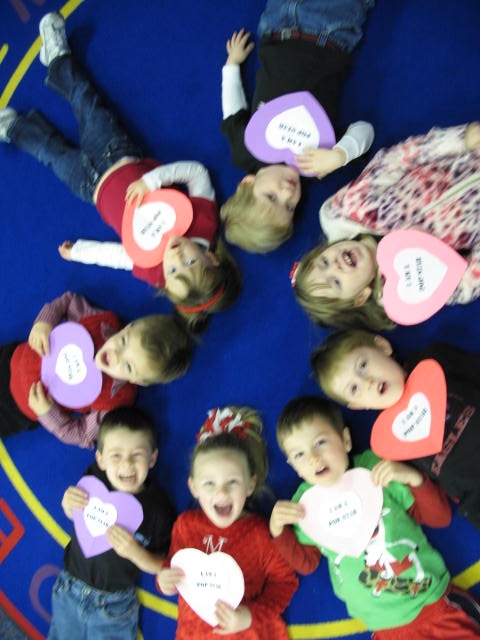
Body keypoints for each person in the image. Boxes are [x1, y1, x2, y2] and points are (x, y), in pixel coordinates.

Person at [0, 12, 241, 334]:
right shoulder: (205, 224)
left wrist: (80, 251)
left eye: (174, 272)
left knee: (50, 153)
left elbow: (120, 256)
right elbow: (197, 174)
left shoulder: (152, 269)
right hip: (118, 154)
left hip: (91, 188)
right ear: (211, 258)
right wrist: (151, 181)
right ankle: (57, 59)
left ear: (165, 283)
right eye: (191, 262)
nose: (176, 257)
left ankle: (14, 128)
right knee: (86, 102)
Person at [270, 395, 480, 638]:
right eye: (299, 455)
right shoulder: (304, 505)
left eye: (320, 443)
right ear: (293, 466)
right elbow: (307, 563)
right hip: (385, 628)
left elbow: (440, 518)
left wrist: (413, 478)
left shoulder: (376, 470)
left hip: (434, 607)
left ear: (345, 440)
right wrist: (278, 530)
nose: (313, 459)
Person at [220, 0, 375, 253]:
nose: (287, 193)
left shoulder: (245, 150)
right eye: (290, 207)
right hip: (331, 32)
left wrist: (232, 65)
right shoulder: (315, 164)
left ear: (246, 183)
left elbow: (232, 112)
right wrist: (340, 155)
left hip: (276, 28)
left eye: (271, 197)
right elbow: (365, 130)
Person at [291, 122, 480, 330]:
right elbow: (464, 282)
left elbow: (398, 159)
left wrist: (461, 139)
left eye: (324, 261)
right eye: (336, 282)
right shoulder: (406, 291)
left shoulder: (352, 208)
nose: (335, 266)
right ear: (360, 297)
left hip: (467, 155)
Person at [311, 329, 480, 530]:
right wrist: (409, 475)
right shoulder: (387, 442)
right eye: (354, 389)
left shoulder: (433, 361)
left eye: (363, 366)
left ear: (382, 347)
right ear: (358, 406)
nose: (367, 382)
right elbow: (437, 509)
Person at [156, 406, 298, 639]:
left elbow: (285, 582)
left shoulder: (260, 533)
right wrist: (164, 580)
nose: (221, 492)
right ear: (193, 487)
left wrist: (250, 616)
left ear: (250, 485)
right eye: (209, 483)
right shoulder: (186, 526)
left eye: (232, 482)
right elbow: (173, 565)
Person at [0, 290, 193, 448]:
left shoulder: (115, 400)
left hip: (14, 411)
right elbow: (68, 301)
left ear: (138, 381)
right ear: (127, 327)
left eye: (128, 366)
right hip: (10, 358)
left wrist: (48, 413)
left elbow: (82, 435)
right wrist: (44, 323)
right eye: (123, 341)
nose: (115, 355)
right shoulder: (102, 323)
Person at [48, 406, 176, 640]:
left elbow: (164, 565)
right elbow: (78, 520)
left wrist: (136, 553)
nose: (127, 464)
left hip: (114, 606)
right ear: (101, 459)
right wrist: (68, 505)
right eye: (116, 455)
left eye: (137, 455)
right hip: (69, 588)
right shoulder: (93, 479)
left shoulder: (158, 509)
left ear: (152, 458)